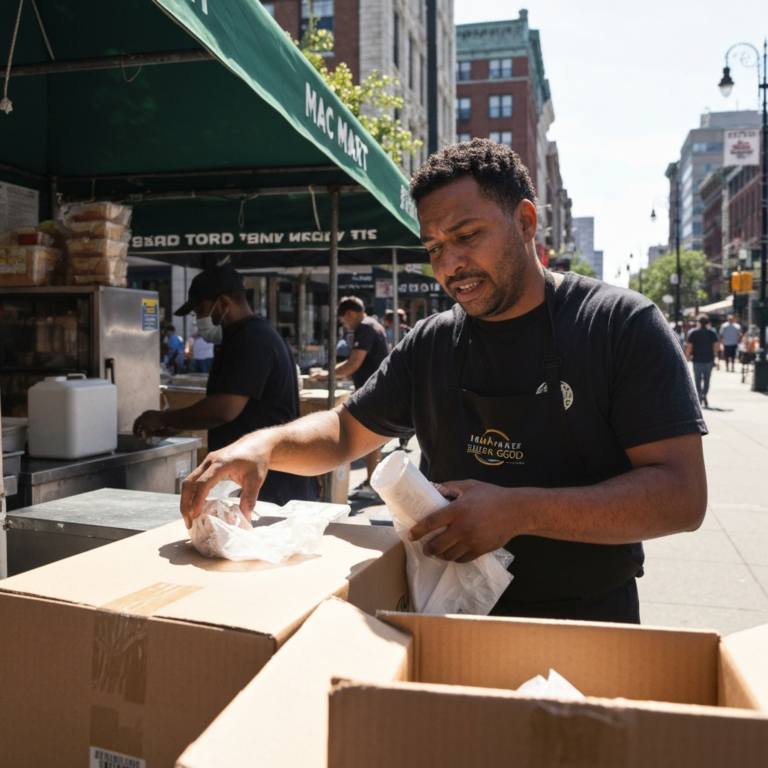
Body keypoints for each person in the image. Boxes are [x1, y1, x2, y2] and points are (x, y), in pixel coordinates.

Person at [180, 139, 707, 624]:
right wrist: (262, 445)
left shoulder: (618, 325)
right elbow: (345, 432)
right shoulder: (432, 342)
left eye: (467, 236)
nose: (450, 264)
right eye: (433, 247)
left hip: (587, 621)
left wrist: (519, 510)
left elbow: (682, 496)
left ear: (525, 222)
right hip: (444, 613)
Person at [134, 265, 316, 505]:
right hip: (256, 475)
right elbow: (238, 410)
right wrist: (177, 425)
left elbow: (224, 409)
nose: (199, 320)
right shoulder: (242, 338)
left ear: (222, 303)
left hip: (270, 483)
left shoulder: (252, 340)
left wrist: (164, 418)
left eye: (201, 311)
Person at [312, 296, 389, 500]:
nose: (345, 325)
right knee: (372, 439)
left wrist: (327, 375)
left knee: (369, 439)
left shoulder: (365, 327)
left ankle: (373, 483)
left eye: (344, 320)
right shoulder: (373, 325)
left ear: (351, 313)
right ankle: (373, 481)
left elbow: (352, 364)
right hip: (374, 390)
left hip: (373, 392)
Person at [685, 314, 719, 407]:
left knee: (697, 379)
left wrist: (687, 357)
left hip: (697, 359)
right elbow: (716, 347)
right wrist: (714, 353)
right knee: (707, 379)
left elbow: (689, 347)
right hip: (708, 359)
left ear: (699, 322)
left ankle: (699, 394)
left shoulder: (693, 333)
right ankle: (704, 394)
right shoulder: (712, 333)